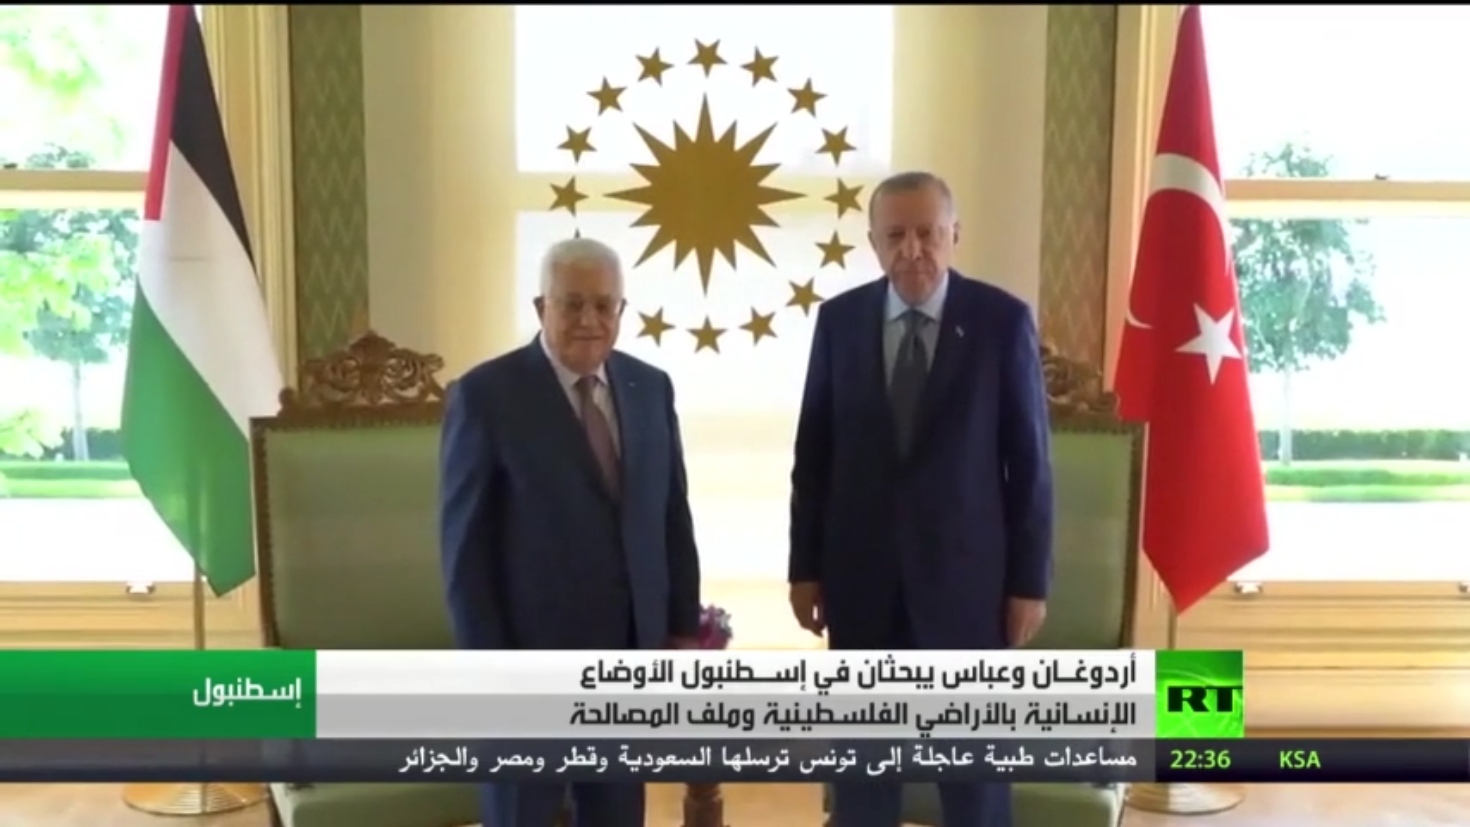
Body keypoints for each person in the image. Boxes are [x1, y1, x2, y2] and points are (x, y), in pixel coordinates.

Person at [788, 171, 1054, 827]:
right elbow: (814, 454)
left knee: (973, 786)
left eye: (928, 233)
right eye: (896, 235)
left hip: (969, 591)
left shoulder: (1001, 321)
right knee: (865, 781)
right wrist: (804, 568)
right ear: (873, 242)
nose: (913, 250)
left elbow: (1030, 465)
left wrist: (1029, 583)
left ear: (955, 235)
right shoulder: (839, 322)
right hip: (862, 585)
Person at [439, 237, 702, 827]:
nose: (589, 320)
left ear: (621, 311)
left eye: (604, 305)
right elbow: (465, 557)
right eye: (572, 304)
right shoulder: (486, 396)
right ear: (542, 308)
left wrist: (682, 630)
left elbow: (672, 517)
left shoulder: (650, 387)